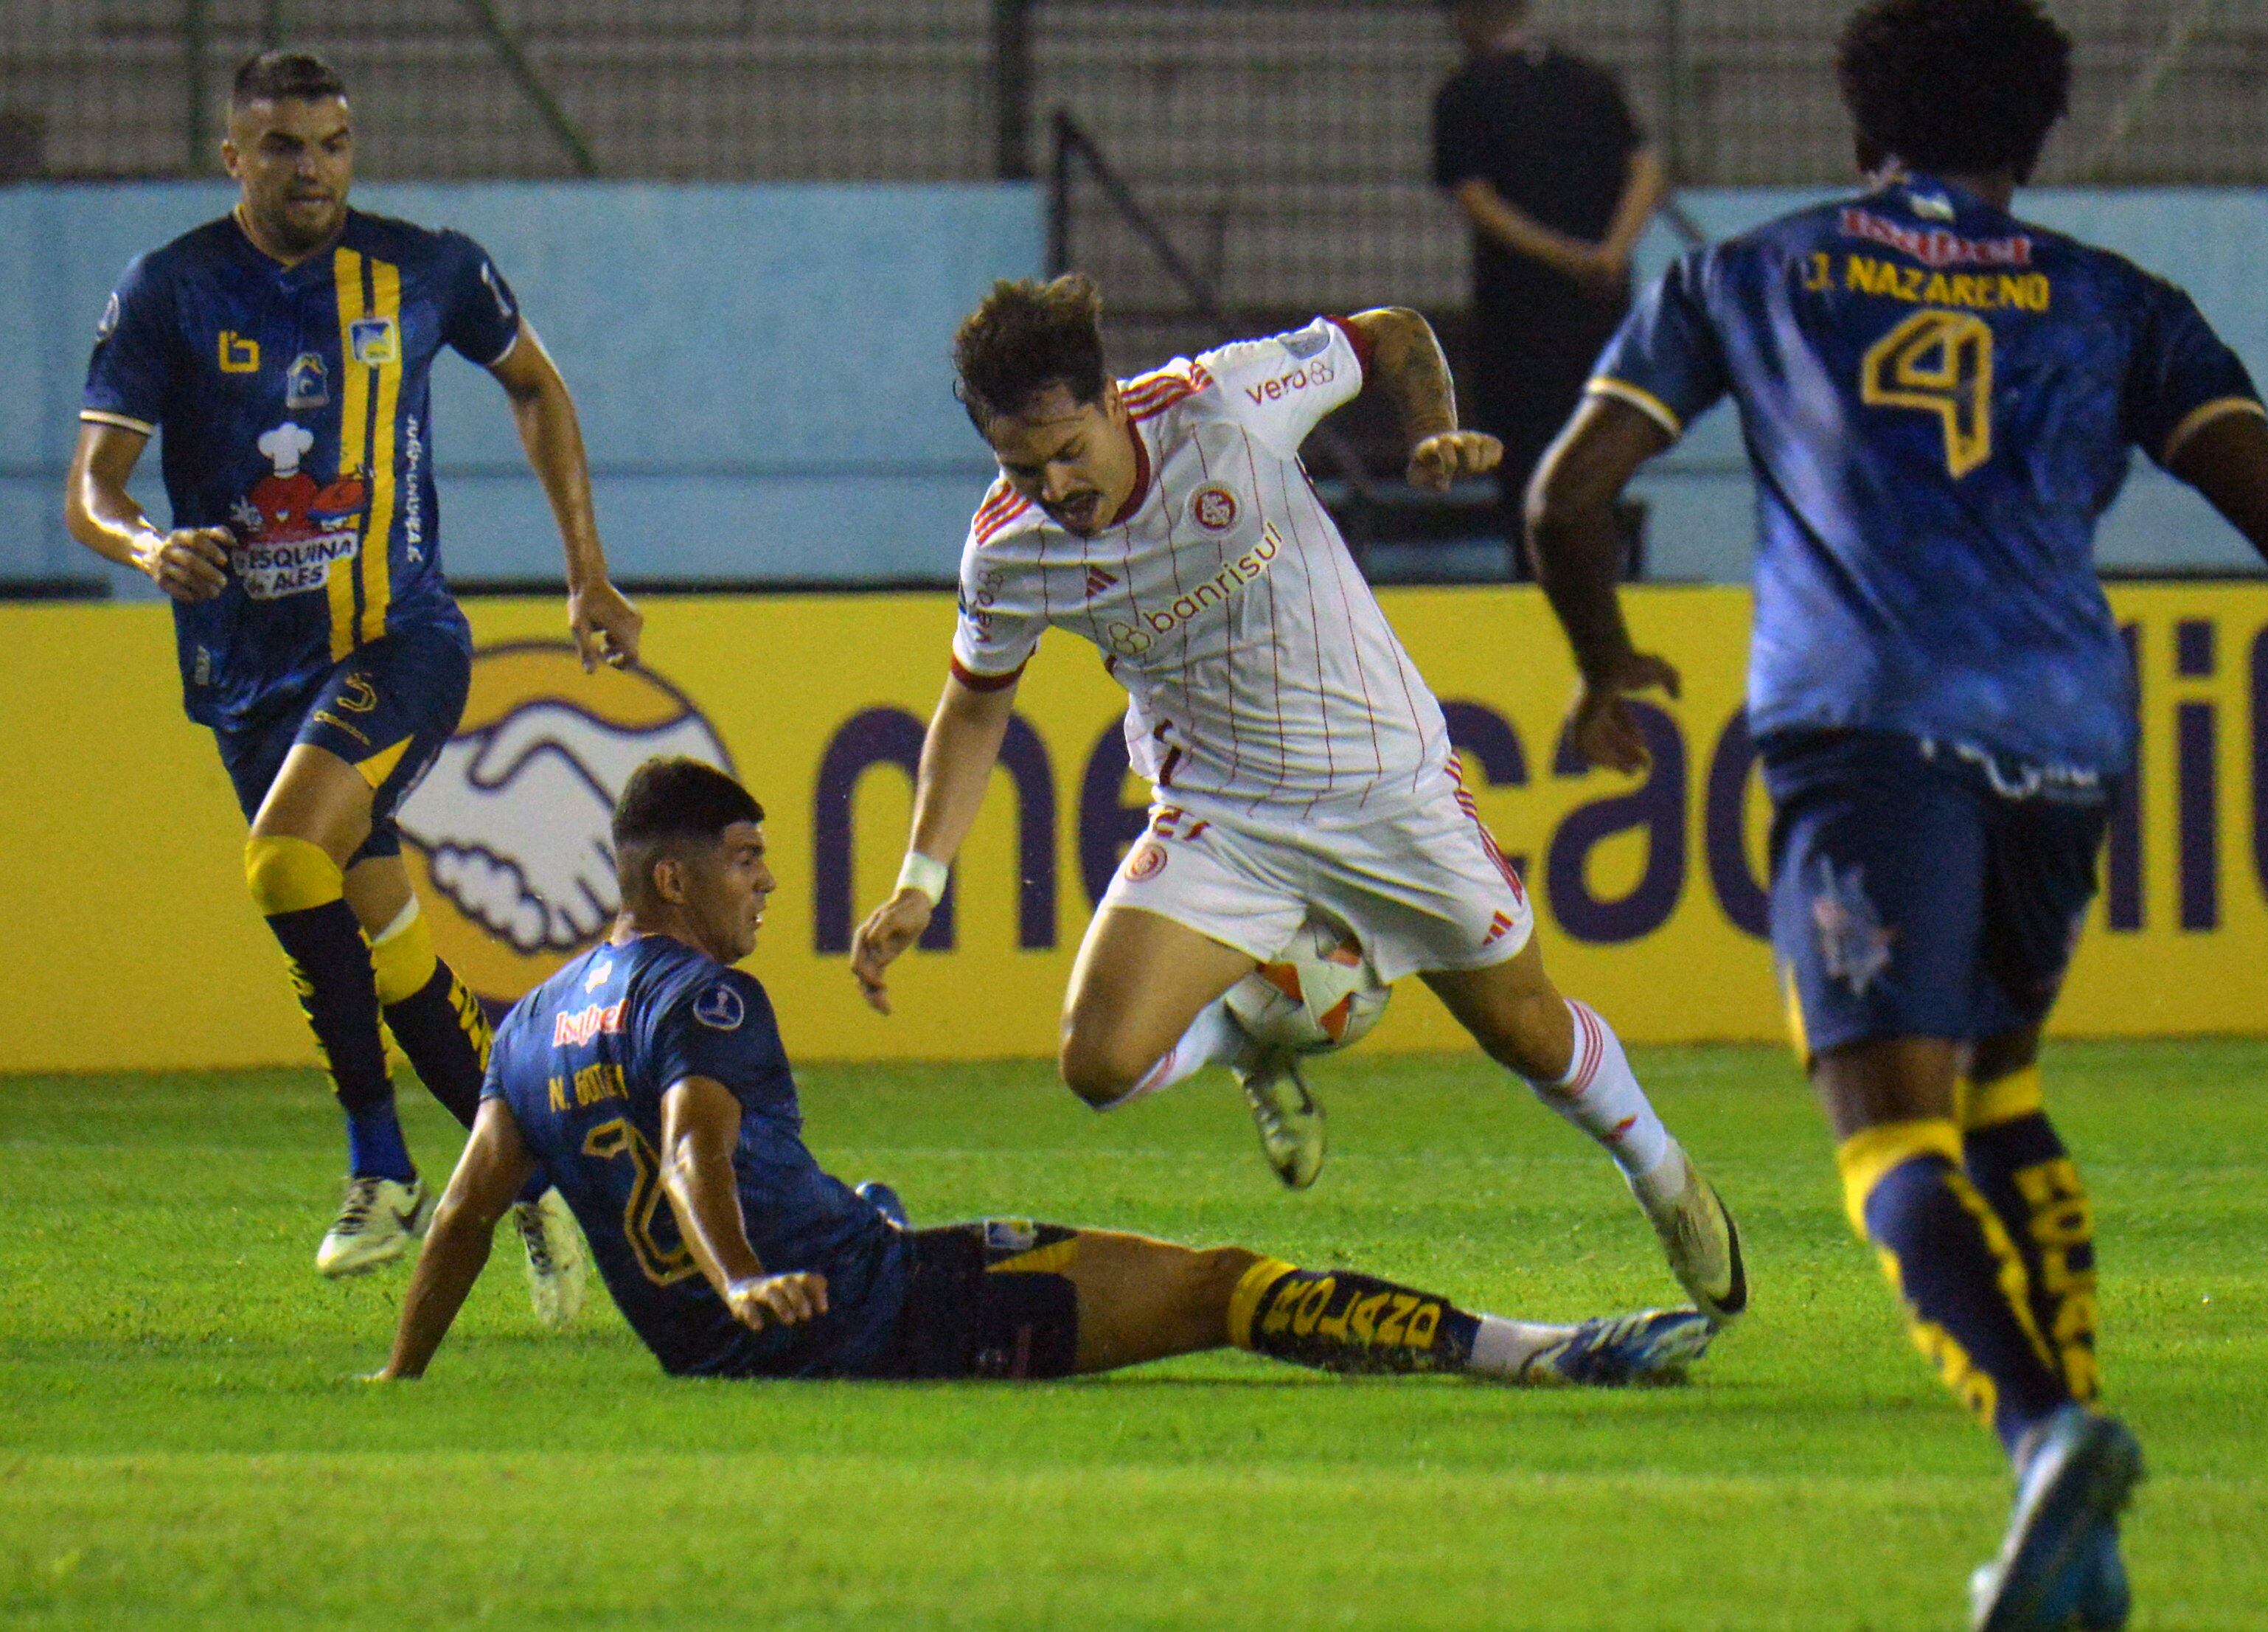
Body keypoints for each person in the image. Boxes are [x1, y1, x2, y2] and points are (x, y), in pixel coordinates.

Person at [1521, 1, 2268, 1626]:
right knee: (2001, 1081)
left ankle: (2043, 1433)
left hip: (1867, 735)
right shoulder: (2115, 304)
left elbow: (1561, 496)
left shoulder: (1753, 272)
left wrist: (1605, 662)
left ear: (1856, 119)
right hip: (2067, 743)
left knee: (1889, 1123)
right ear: (2032, 137)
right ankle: (2080, 1541)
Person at [845, 274, 1747, 1330]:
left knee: (1528, 1033)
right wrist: (920, 877)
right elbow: (971, 709)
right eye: (1019, 465)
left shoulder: (1221, 403)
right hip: (1223, 817)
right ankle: (1246, 1040)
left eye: (1065, 450)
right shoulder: (1008, 548)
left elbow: (1394, 336)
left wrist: (1434, 431)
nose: (1052, 484)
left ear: (1107, 398)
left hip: (1386, 786)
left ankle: (1659, 1170)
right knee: (1097, 1064)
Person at [378, 757, 1717, 1389]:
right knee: (1217, 1287)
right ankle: (1540, 1354)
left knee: (908, 1205)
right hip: (865, 1320)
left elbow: (462, 1214)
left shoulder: (532, 1022)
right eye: (743, 859)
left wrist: (405, 1375)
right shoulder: (706, 992)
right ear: (670, 876)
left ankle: (895, 1218)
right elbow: (692, 1148)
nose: (766, 883)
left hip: (743, 1335)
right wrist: (742, 1275)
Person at [63, 50, 642, 1318]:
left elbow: (536, 385)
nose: (312, 167)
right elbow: (92, 489)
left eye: (331, 142)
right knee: (392, 950)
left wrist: (585, 574)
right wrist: (148, 545)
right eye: (282, 145)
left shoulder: (426, 267)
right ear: (235, 158)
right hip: (243, 669)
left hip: (400, 642)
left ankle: (379, 1164)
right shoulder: (168, 290)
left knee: (283, 862)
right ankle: (540, 1177)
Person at [1433, 0, 1664, 577]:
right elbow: (1647, 170)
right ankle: (1604, 588)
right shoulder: (1591, 81)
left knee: (1529, 465)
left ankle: (1539, 588)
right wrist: (1611, 251)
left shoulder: (1465, 92)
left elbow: (1475, 198)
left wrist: (1563, 257)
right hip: (1602, 311)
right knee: (1600, 454)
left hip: (1520, 315)